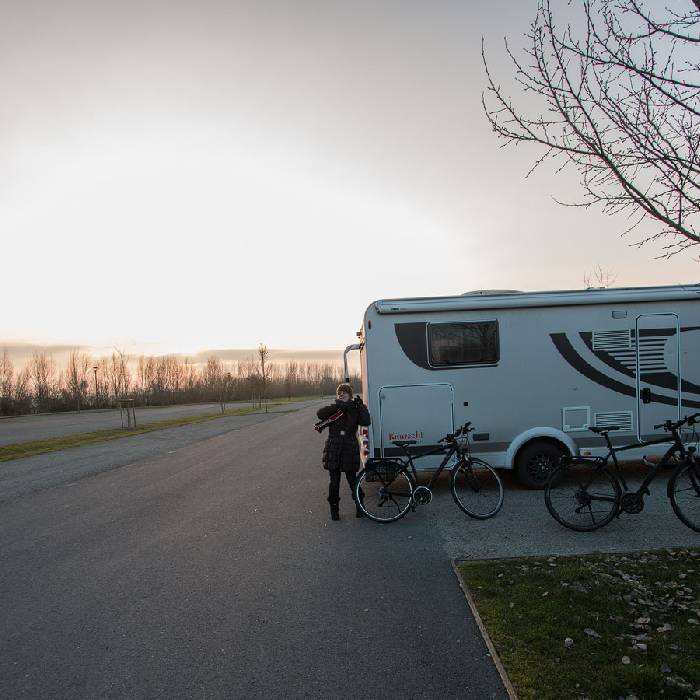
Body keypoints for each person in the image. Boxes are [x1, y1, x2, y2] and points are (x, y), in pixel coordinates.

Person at [316, 383, 371, 521]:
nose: (341, 394)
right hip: (334, 448)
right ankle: (334, 510)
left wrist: (362, 407)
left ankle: (360, 506)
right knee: (334, 482)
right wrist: (338, 405)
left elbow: (366, 421)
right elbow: (319, 414)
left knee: (353, 480)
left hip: (349, 447)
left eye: (344, 392)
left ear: (350, 395)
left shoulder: (355, 409)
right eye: (339, 392)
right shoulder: (334, 408)